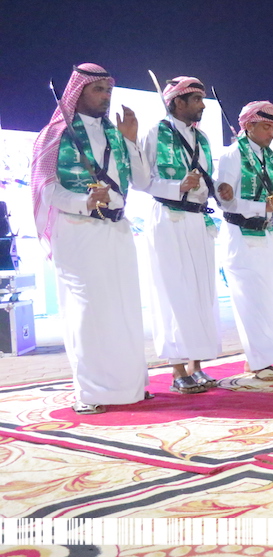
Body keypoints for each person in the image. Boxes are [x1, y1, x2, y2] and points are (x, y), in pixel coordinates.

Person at [31, 63, 150, 414]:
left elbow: (143, 182)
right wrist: (83, 201)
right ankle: (91, 392)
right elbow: (46, 189)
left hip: (118, 229)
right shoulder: (54, 134)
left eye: (108, 90)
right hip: (77, 231)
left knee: (124, 308)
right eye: (98, 90)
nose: (106, 96)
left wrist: (131, 141)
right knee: (87, 311)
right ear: (77, 92)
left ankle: (128, 386)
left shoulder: (116, 133)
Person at [215, 101, 273, 380]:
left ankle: (266, 358)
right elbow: (225, 202)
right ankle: (258, 362)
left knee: (270, 299)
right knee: (250, 301)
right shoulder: (232, 155)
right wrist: (262, 206)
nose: (271, 133)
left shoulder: (268, 156)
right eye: (266, 127)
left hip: (267, 234)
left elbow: (271, 193)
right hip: (241, 235)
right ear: (249, 126)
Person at [143, 76, 219, 395]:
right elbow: (142, 180)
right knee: (173, 291)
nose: (203, 105)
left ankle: (196, 366)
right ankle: (176, 370)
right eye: (196, 99)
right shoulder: (155, 133)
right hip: (168, 218)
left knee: (201, 292)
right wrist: (177, 186)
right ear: (178, 102)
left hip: (198, 220)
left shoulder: (202, 138)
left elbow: (209, 180)